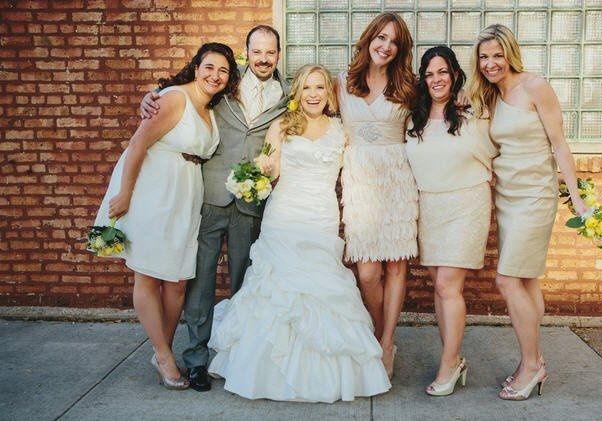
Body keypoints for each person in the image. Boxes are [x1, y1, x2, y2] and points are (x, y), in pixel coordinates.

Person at [207, 64, 391, 403]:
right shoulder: (282, 125)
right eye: (307, 87)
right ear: (297, 92)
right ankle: (265, 371)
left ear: (329, 93)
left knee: (321, 286)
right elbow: (271, 169)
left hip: (321, 217)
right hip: (284, 215)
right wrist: (261, 169)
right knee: (278, 287)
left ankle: (324, 374)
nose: (313, 94)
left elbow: (361, 162)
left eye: (320, 87)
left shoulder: (341, 129)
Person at [140, 25, 289, 391]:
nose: (264, 59)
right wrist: (150, 97)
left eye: (270, 52)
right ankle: (195, 360)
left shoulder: (288, 97)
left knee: (244, 284)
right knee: (200, 283)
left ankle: (235, 357)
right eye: (257, 51)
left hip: (251, 203)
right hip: (209, 196)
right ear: (247, 52)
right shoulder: (225, 84)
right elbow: (182, 92)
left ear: (279, 55)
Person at [94, 42, 239, 390]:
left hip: (185, 196)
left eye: (223, 70)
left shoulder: (210, 107)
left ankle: (162, 350)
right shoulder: (175, 98)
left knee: (177, 281)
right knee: (147, 275)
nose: (215, 75)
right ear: (196, 67)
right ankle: (163, 355)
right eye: (209, 67)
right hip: (154, 192)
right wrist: (125, 193)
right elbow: (138, 143)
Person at [466, 24, 589, 400]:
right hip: (507, 196)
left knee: (507, 280)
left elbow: (559, 145)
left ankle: (533, 366)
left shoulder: (535, 87)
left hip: (535, 196)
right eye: (484, 57)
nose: (490, 63)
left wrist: (576, 197)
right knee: (527, 281)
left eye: (497, 55)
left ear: (510, 54)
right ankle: (533, 360)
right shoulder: (490, 94)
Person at [405, 46, 498, 396]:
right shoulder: (415, 118)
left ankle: (448, 365)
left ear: (455, 74)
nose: (436, 80)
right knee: (440, 287)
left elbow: (496, 150)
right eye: (429, 74)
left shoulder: (473, 114)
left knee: (447, 285)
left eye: (442, 72)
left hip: (466, 203)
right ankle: (453, 357)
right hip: (429, 206)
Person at [336, 12, 418, 378]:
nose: (386, 46)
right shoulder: (341, 83)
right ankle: (379, 330)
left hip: (398, 182)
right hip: (360, 185)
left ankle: (386, 342)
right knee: (368, 272)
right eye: (381, 37)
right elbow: (307, 111)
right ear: (369, 39)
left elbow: (441, 112)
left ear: (401, 49)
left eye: (394, 42)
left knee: (396, 266)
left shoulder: (409, 86)